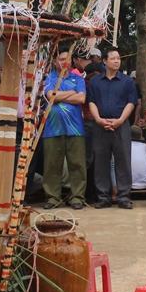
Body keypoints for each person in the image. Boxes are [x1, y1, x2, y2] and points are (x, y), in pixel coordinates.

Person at [87, 46, 138, 210]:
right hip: (100, 125)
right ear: (104, 61)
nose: (117, 61)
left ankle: (123, 197)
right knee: (100, 161)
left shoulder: (127, 81)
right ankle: (103, 197)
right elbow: (91, 102)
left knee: (123, 160)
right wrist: (99, 120)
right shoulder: (95, 81)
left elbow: (131, 102)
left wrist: (121, 120)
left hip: (120, 125)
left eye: (118, 58)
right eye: (113, 58)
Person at [42, 45, 88, 210]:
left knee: (77, 164)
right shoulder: (49, 78)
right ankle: (53, 198)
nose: (65, 62)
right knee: (52, 164)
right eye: (61, 59)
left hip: (75, 128)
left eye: (67, 59)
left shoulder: (78, 79)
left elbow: (82, 98)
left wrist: (61, 95)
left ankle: (77, 197)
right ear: (55, 62)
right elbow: (51, 97)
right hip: (52, 128)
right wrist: (72, 93)